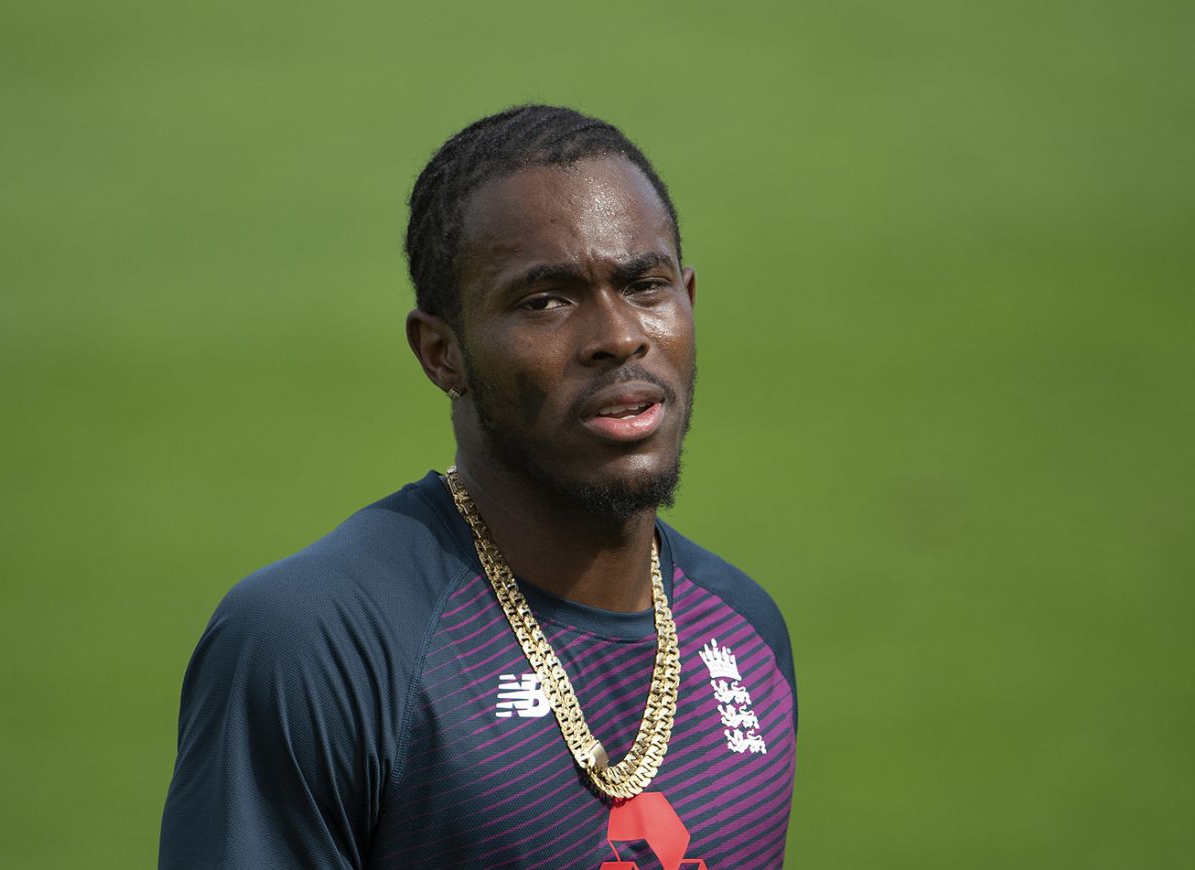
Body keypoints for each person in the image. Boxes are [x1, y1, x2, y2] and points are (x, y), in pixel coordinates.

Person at [160, 105, 797, 869]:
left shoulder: (746, 634)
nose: (620, 336)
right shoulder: (320, 644)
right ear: (441, 354)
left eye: (646, 285)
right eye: (545, 301)